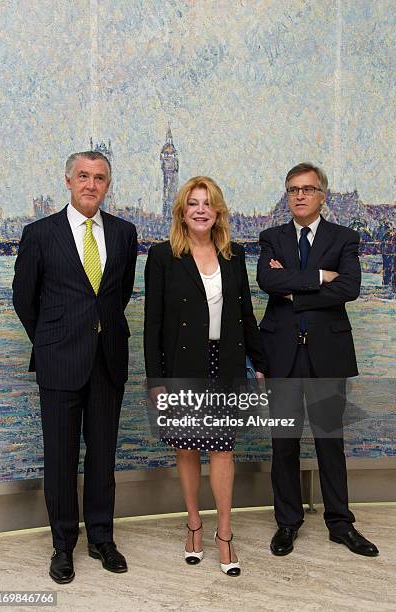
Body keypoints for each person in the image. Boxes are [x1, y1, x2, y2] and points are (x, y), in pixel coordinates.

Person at [13, 151, 137, 583]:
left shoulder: (125, 233)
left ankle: (102, 538)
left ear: (107, 184)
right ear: (67, 181)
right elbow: (24, 299)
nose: (91, 184)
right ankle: (62, 545)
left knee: (103, 456)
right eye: (83, 176)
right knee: (61, 459)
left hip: (107, 362)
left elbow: (116, 296)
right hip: (59, 362)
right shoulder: (39, 233)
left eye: (99, 177)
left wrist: (97, 332)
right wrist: (52, 341)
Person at [144, 176, 267, 576]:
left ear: (217, 213)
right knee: (185, 449)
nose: (200, 210)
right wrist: (156, 381)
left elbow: (246, 314)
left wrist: (260, 362)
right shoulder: (163, 257)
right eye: (193, 203)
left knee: (223, 450)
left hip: (226, 364)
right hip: (182, 367)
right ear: (182, 211)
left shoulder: (234, 255)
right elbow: (153, 325)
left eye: (207, 203)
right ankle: (194, 525)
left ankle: (224, 535)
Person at [257, 162, 379, 557]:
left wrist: (294, 285)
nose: (299, 195)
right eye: (293, 189)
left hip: (328, 355)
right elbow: (267, 281)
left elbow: (350, 287)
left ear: (322, 194)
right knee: (284, 445)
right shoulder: (271, 237)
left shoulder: (345, 237)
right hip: (281, 355)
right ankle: (287, 523)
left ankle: (340, 524)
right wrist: (320, 277)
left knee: (330, 442)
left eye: (307, 189)